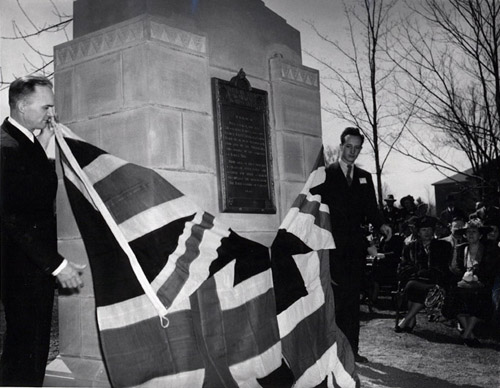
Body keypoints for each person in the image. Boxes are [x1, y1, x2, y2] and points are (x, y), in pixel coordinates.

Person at [0, 76, 86, 386]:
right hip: (21, 270)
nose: (52, 113)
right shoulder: (6, 148)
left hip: (30, 270)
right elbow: (14, 218)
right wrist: (57, 264)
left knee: (32, 351)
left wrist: (47, 150)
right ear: (22, 106)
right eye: (46, 105)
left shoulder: (25, 142)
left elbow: (32, 193)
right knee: (24, 353)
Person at [322, 127, 384, 363]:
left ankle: (352, 351)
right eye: (349, 146)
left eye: (357, 148)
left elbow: (371, 210)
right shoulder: (326, 174)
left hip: (356, 251)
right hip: (333, 249)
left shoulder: (365, 177)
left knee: (352, 302)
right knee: (336, 302)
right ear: (341, 146)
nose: (352, 152)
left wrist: (382, 225)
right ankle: (335, 352)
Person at [444, 219, 498, 347]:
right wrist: (463, 276)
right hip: (463, 282)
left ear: (480, 235)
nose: (471, 235)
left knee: (481, 297)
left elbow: (491, 268)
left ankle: (466, 334)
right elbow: (456, 267)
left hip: (481, 282)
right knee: (453, 296)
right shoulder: (461, 248)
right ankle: (470, 335)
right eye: (468, 232)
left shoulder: (489, 248)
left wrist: (476, 276)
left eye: (474, 232)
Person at [395, 216, 452, 333]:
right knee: (411, 286)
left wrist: (431, 272)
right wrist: (416, 271)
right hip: (416, 278)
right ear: (418, 232)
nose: (428, 233)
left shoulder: (443, 246)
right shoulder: (411, 247)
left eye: (430, 229)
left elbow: (444, 266)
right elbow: (404, 266)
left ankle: (407, 320)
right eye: (424, 230)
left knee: (424, 289)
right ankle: (411, 320)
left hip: (435, 280)